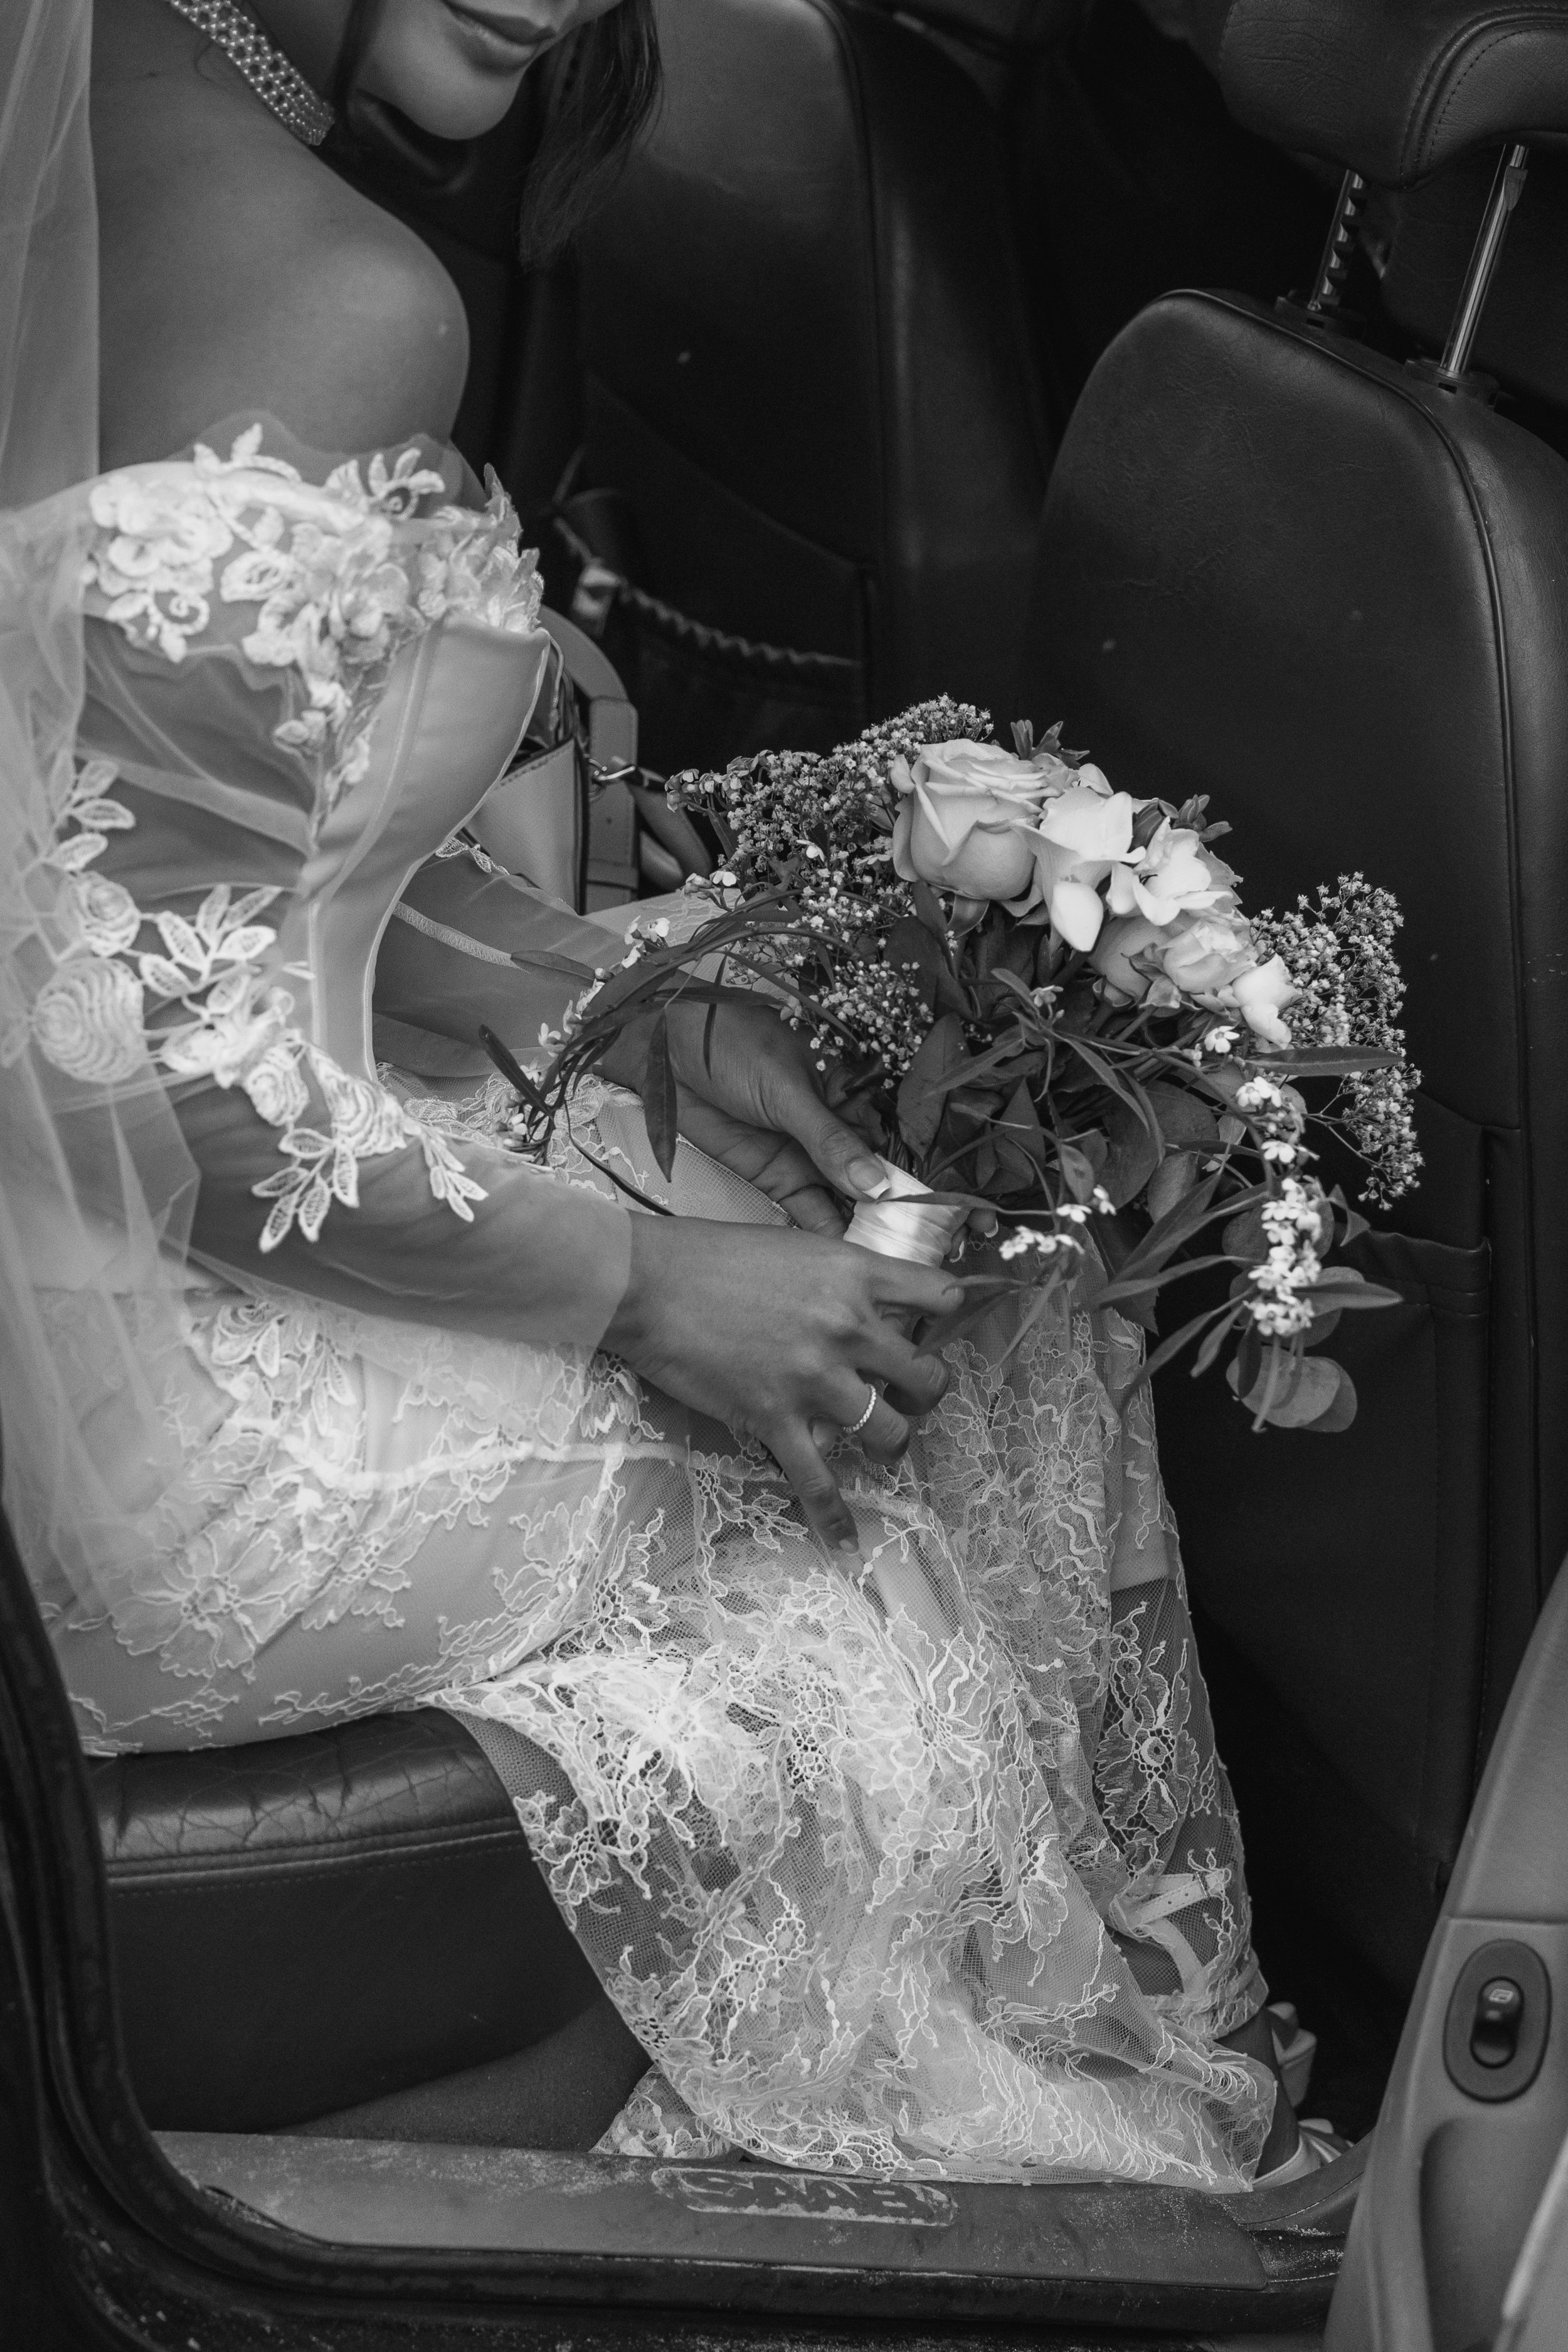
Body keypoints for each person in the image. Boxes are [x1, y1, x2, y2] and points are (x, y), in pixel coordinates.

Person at [0, 0, 1323, 2187]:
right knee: (923, 1355)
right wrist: (642, 1291)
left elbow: (99, 862)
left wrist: (561, 997)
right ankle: (983, 2107)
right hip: (129, 1432)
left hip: (73, 1283)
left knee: (764, 1152)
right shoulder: (338, 296)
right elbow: (137, 1052)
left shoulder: (77, 157)